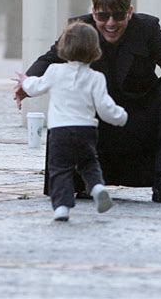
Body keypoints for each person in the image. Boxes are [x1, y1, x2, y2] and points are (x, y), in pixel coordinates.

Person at [23, 0, 161, 205]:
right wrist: (26, 84)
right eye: (102, 17)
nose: (110, 23)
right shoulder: (80, 29)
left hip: (138, 120)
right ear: (93, 13)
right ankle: (84, 181)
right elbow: (50, 59)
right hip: (93, 126)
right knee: (65, 100)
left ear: (130, 12)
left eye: (118, 16)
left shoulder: (147, 28)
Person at [14, 21, 128, 222]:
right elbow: (104, 107)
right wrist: (121, 116)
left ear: (64, 47)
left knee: (60, 169)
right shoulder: (97, 77)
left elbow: (35, 88)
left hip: (60, 131)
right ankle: (97, 187)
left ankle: (62, 208)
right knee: (89, 163)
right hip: (86, 131)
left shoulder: (54, 71)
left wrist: (25, 81)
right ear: (95, 49)